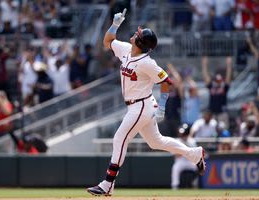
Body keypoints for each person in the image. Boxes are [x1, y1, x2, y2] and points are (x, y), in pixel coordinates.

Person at [86, 9, 206, 196]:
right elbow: (107, 42)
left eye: (138, 34)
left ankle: (108, 184)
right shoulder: (126, 49)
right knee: (155, 142)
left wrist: (163, 106)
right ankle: (194, 154)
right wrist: (115, 25)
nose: (135, 34)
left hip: (141, 106)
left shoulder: (147, 63)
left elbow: (166, 82)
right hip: (137, 105)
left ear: (141, 42)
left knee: (119, 138)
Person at [171, 124, 198, 190]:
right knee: (175, 168)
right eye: (181, 134)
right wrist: (185, 151)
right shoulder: (176, 141)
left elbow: (194, 154)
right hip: (180, 161)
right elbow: (176, 155)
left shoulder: (192, 141)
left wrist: (184, 151)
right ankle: (175, 186)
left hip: (190, 161)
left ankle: (195, 184)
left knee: (198, 166)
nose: (182, 136)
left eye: (184, 134)